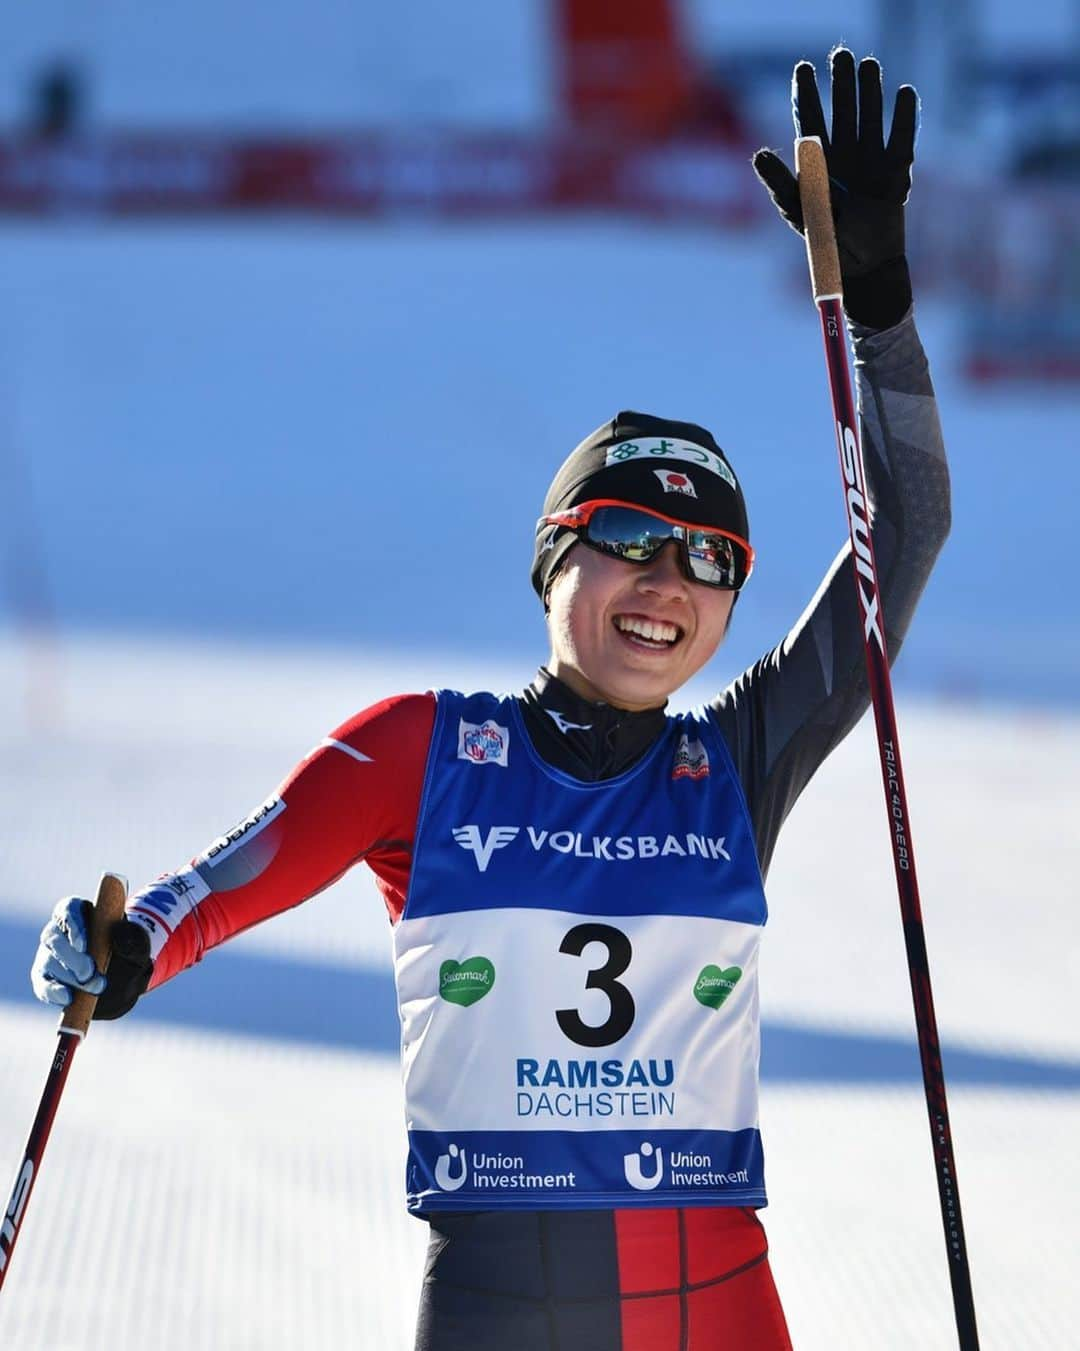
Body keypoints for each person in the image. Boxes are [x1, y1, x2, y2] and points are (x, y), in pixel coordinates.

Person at [30, 51, 948, 1351]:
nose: (664, 581)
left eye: (710, 559)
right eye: (629, 535)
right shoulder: (424, 750)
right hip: (501, 1316)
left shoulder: (742, 759)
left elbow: (901, 535)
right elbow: (217, 886)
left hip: (722, 1316)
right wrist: (128, 946)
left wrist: (880, 306)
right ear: (551, 561)